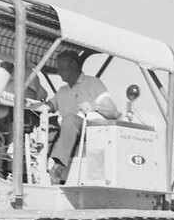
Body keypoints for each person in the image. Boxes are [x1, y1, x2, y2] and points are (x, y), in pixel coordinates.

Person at [44, 51, 120, 184]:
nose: (58, 72)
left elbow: (113, 112)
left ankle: (58, 167)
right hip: (69, 129)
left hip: (91, 129)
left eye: (61, 68)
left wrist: (94, 106)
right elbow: (45, 108)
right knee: (44, 124)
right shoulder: (62, 91)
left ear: (73, 65)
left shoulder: (93, 83)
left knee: (69, 119)